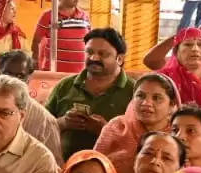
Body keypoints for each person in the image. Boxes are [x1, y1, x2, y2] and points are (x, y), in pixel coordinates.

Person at [45, 28, 135, 159]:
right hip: (63, 165)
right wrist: (63, 123)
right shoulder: (65, 85)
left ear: (119, 59)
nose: (94, 58)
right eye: (89, 52)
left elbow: (141, 141)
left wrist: (106, 130)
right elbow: (40, 127)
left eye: (103, 54)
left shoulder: (135, 92)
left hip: (114, 170)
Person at [94, 72, 179, 173]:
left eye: (157, 98)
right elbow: (94, 165)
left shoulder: (177, 136)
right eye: (140, 96)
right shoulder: (117, 126)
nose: (146, 103)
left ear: (172, 105)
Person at [31, 0, 90, 72]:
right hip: (54, 73)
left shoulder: (84, 16)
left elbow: (90, 42)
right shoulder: (48, 16)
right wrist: (35, 63)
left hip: (79, 74)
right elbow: (36, 42)